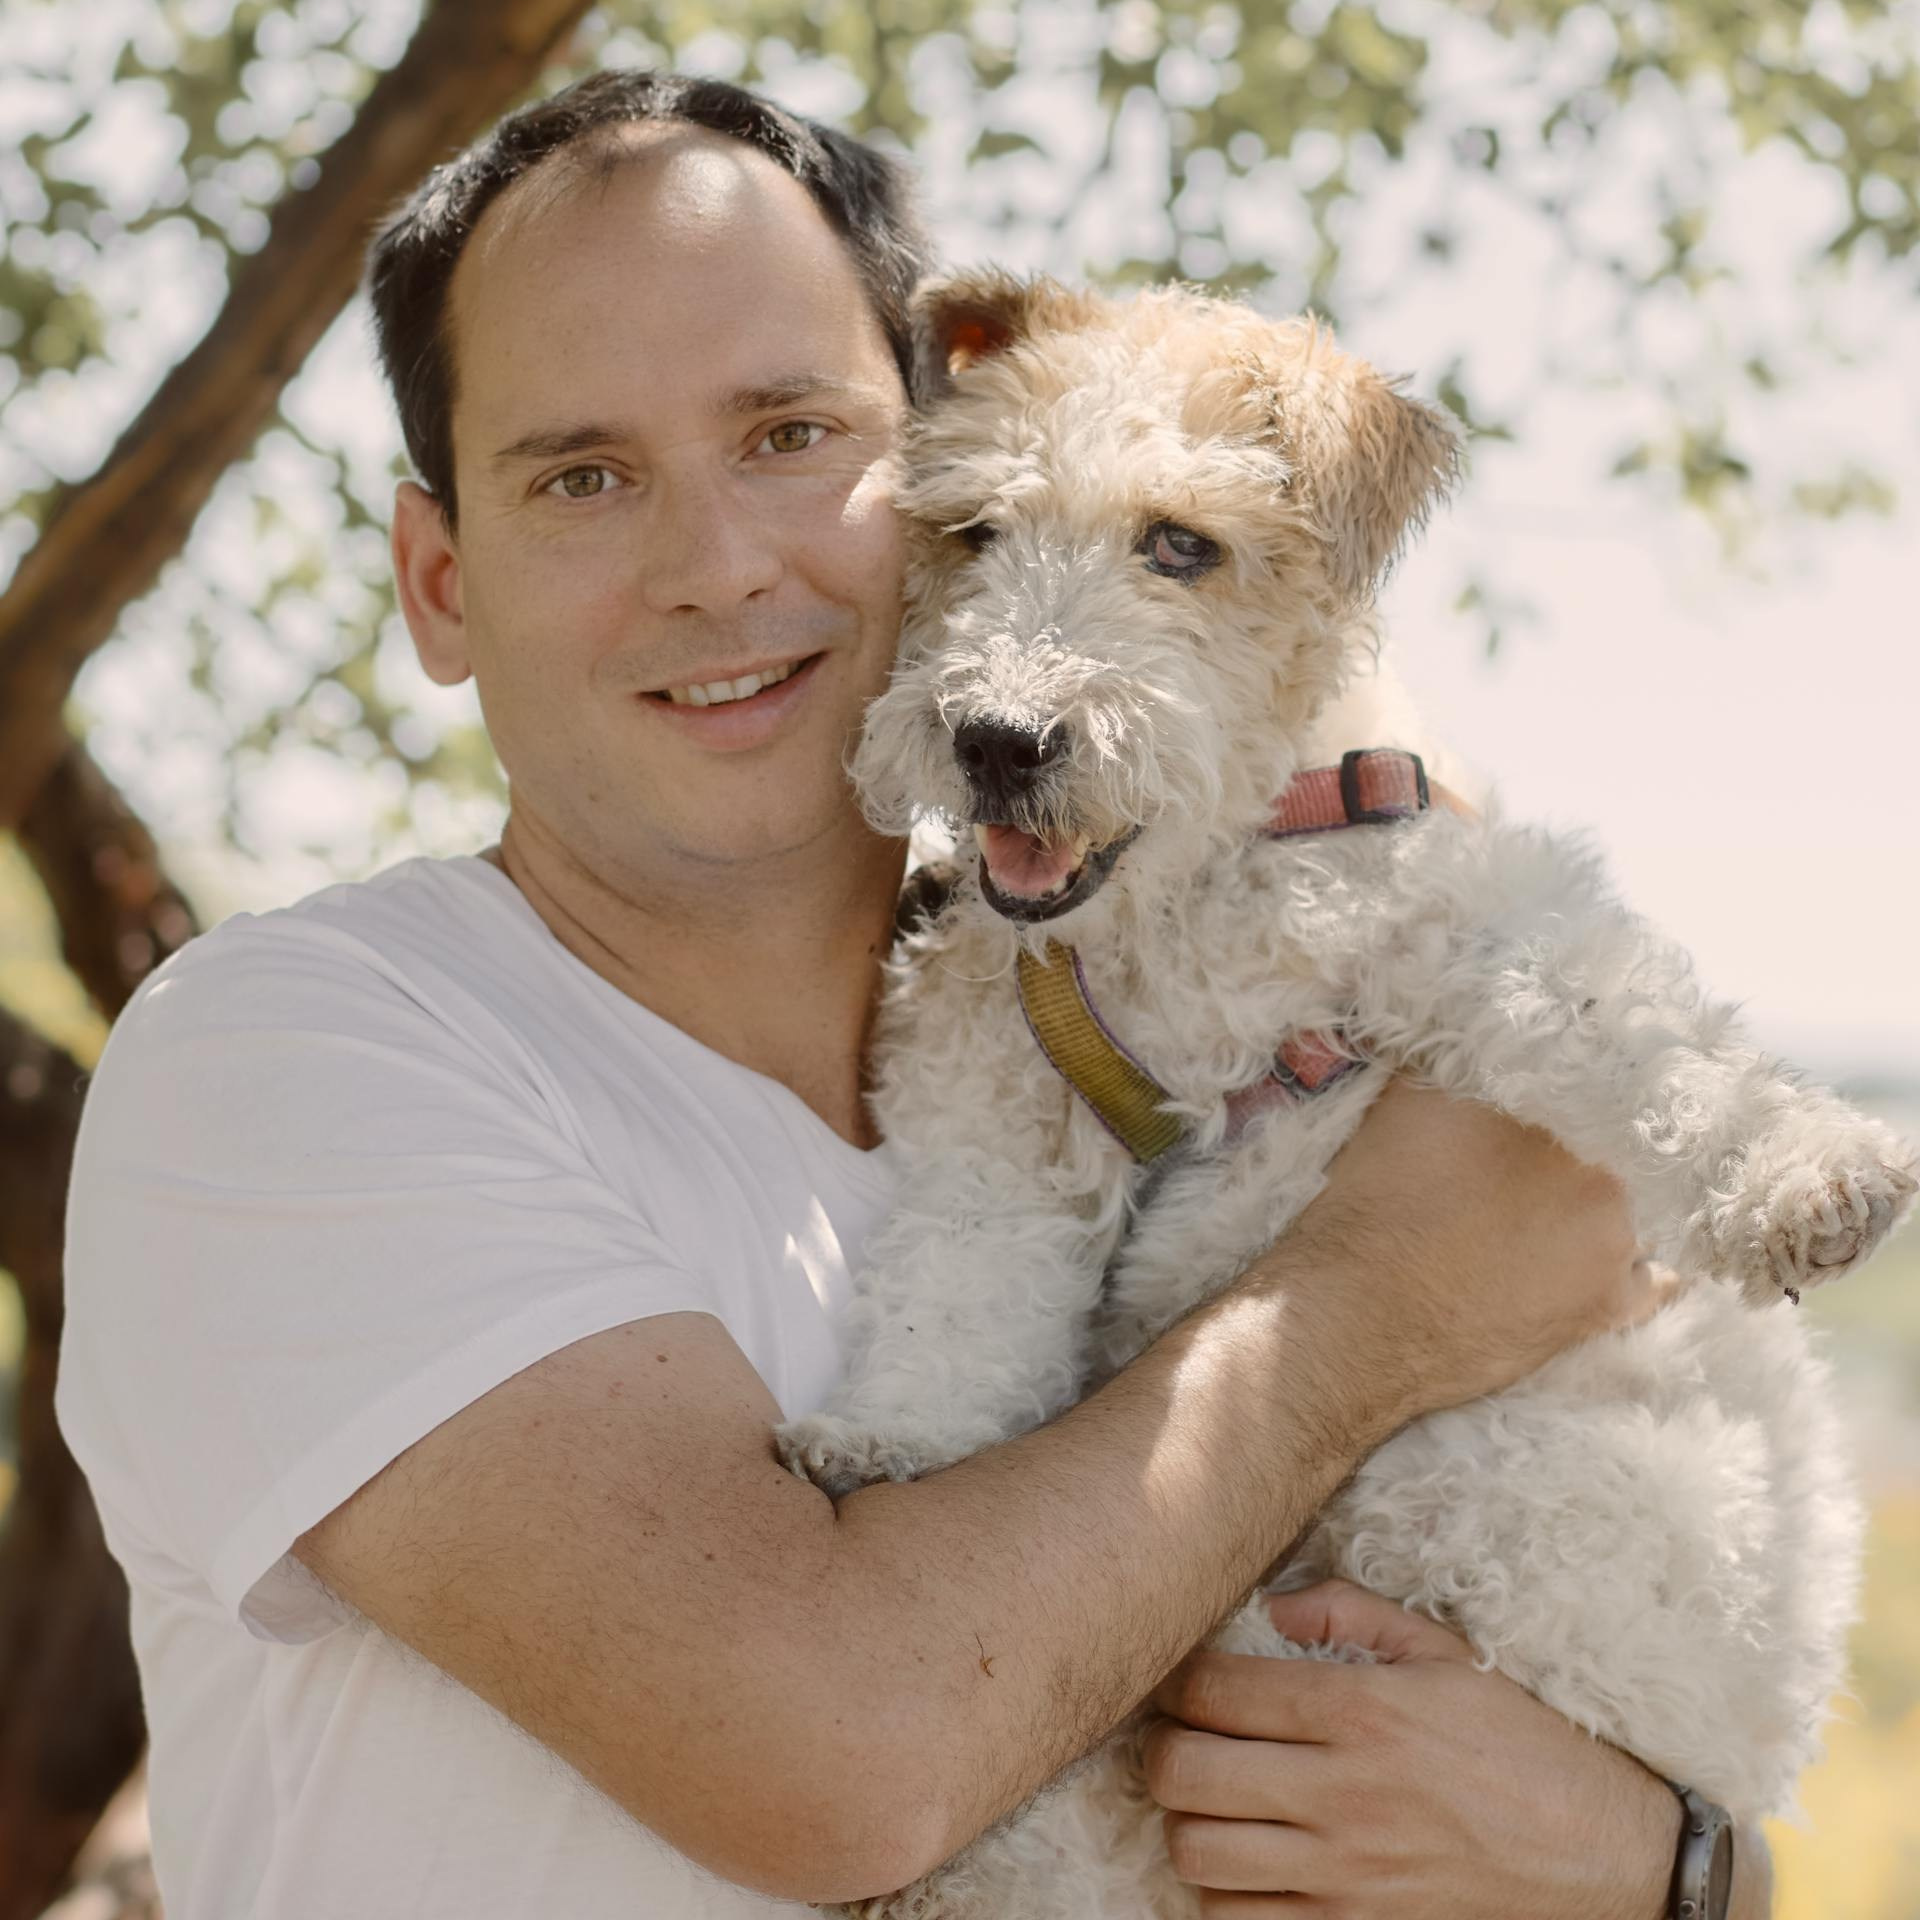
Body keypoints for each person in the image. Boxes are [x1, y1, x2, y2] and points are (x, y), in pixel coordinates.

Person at [55, 69, 1771, 1920]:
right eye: (585, 476)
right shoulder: (292, 1064)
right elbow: (829, 1758)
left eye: (791, 435)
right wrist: (1374, 1307)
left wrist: (1657, 1865)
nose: (719, 567)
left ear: (965, 475)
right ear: (441, 581)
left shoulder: (1182, 1030)